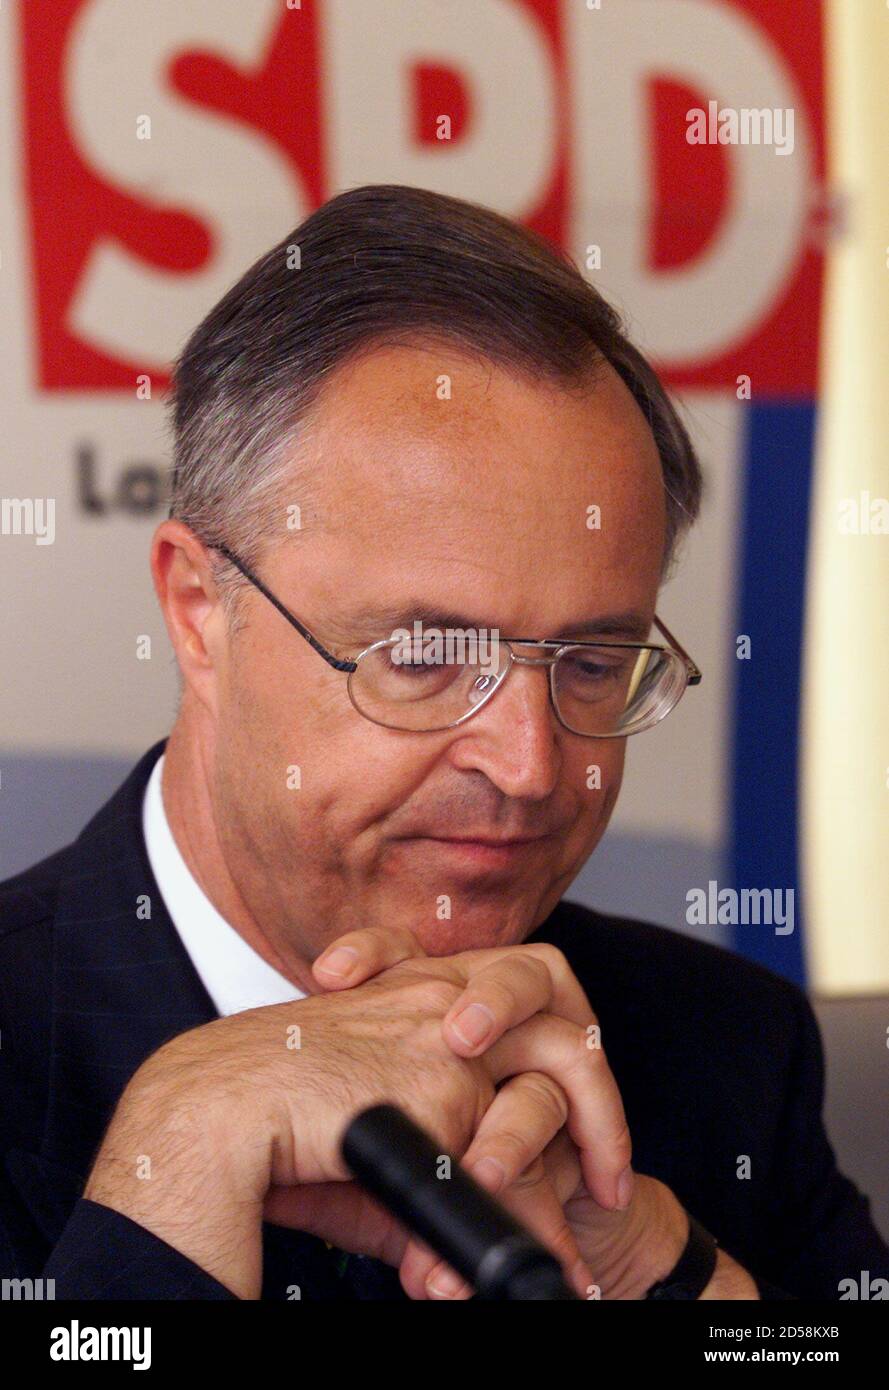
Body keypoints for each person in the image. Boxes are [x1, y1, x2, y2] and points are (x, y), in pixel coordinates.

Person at [2, 185, 886, 1302]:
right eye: (424, 654)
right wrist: (173, 1170)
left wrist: (659, 1262)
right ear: (198, 611)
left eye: (592, 660)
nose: (527, 767)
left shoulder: (722, 1046)